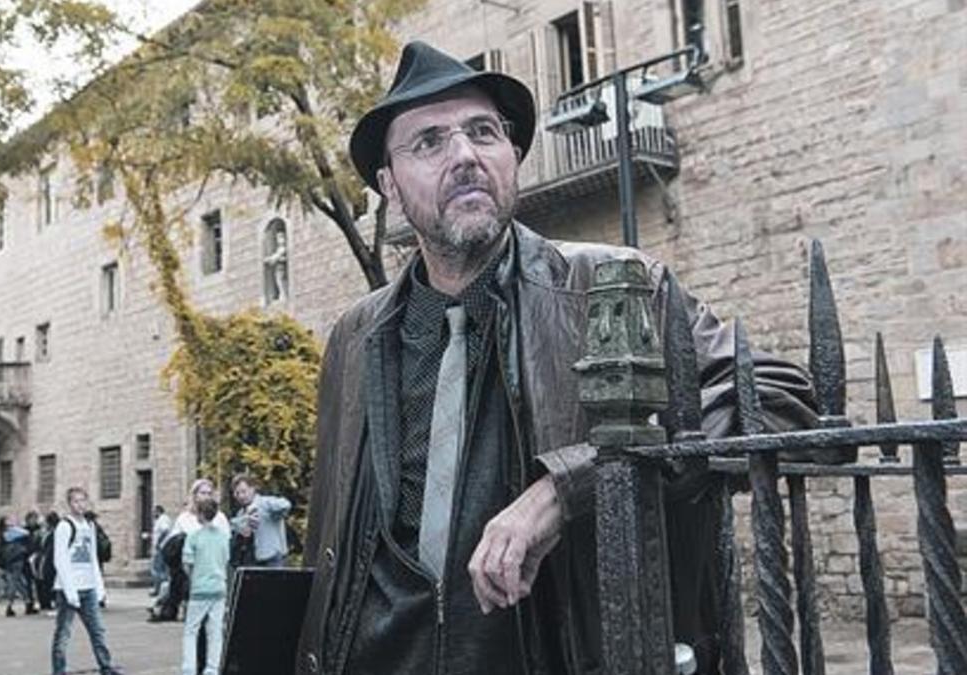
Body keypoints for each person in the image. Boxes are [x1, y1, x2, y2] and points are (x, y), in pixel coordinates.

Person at [294, 41, 819, 675]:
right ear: (390, 189)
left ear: (512, 156)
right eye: (429, 142)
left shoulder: (615, 284)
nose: (464, 156)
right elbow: (331, 538)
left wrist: (570, 486)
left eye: (482, 132)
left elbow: (782, 397)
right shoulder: (356, 335)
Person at [51, 487, 122, 675]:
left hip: (88, 585)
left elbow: (92, 558)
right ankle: (58, 669)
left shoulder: (89, 526)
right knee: (63, 632)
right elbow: (60, 559)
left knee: (98, 630)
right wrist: (70, 590)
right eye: (76, 501)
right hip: (69, 588)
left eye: (83, 500)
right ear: (69, 503)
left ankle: (106, 665)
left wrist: (99, 586)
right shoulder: (64, 526)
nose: (80, 505)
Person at [151, 479, 230, 622]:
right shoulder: (184, 518)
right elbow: (174, 541)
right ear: (195, 495)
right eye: (202, 493)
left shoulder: (219, 517)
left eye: (209, 493)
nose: (206, 496)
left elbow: (225, 539)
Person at [179, 495, 229, 675]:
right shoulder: (223, 537)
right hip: (218, 589)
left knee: (191, 630)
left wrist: (194, 578)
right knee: (215, 632)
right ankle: (212, 668)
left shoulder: (193, 537)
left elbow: (187, 563)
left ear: (200, 514)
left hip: (199, 590)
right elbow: (225, 560)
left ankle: (189, 668)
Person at [230, 473, 291, 568]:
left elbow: (286, 505)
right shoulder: (241, 513)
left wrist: (259, 507)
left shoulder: (266, 503)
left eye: (243, 491)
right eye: (237, 493)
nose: (241, 496)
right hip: (253, 561)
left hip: (273, 559)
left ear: (252, 489)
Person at [0, 514, 35, 617]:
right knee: (14, 583)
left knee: (16, 583)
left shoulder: (2, 532)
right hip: (17, 559)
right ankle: (11, 605)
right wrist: (17, 526)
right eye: (9, 519)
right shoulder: (11, 532)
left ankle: (26, 602)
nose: (12, 520)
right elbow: (26, 533)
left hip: (8, 561)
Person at [147, 505, 172, 597]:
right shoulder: (159, 520)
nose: (153, 514)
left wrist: (159, 543)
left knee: (158, 569)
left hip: (161, 549)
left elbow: (165, 530)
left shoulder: (163, 519)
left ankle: (160, 590)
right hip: (159, 548)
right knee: (158, 569)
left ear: (158, 511)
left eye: (154, 512)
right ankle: (159, 589)